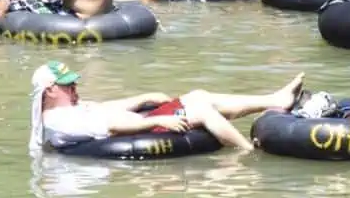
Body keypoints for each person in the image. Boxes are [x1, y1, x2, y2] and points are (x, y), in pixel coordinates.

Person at [29, 60, 307, 154]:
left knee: (199, 94)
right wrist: (151, 122)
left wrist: (142, 98)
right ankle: (249, 153)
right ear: (50, 90)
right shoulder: (59, 121)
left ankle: (275, 100)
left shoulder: (70, 109)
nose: (75, 88)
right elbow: (112, 125)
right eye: (68, 86)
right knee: (200, 110)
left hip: (137, 123)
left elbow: (104, 107)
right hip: (132, 134)